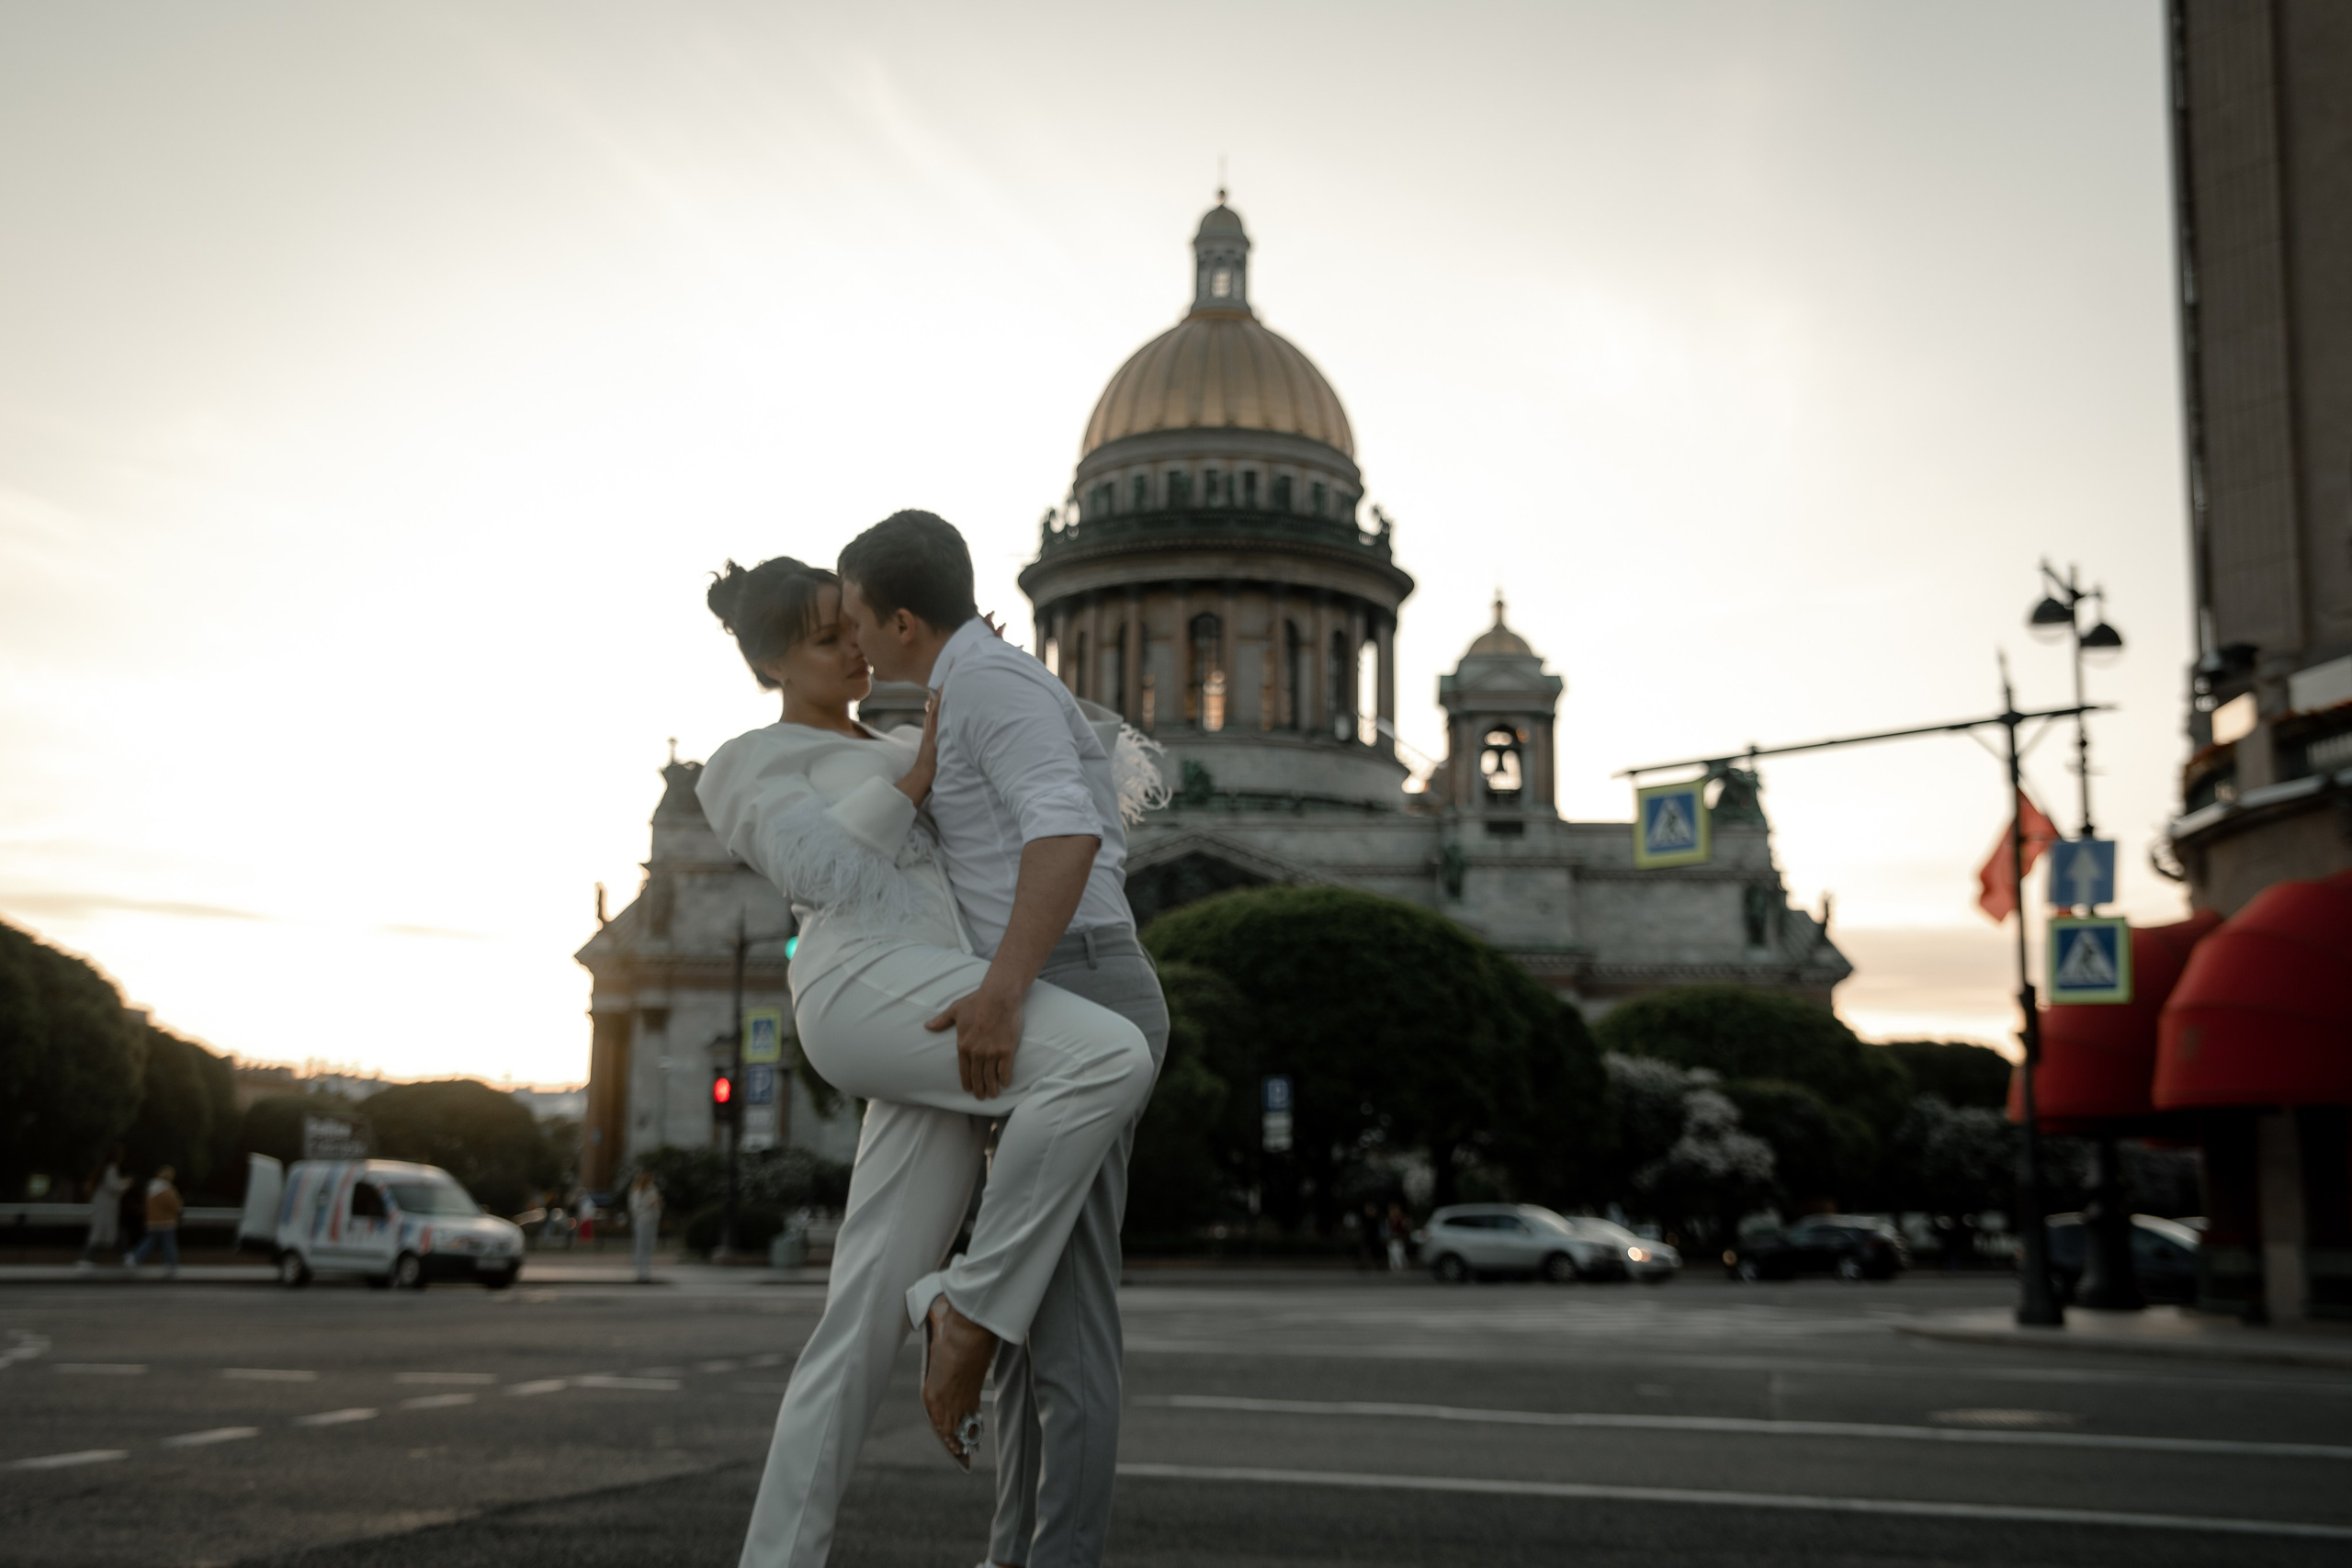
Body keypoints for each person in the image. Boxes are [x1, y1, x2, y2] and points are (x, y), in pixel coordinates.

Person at [698, 541, 1157, 1568]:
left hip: (940, 1015)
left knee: (857, 1321)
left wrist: (1005, 691)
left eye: (853, 628)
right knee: (1109, 1058)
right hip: (867, 987)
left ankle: (777, 1559)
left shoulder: (911, 718)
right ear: (775, 664)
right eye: (829, 640)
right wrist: (915, 773)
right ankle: (971, 1303)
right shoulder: (744, 762)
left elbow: (1067, 783)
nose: (856, 650)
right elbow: (812, 868)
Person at [836, 511, 1170, 1568]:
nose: (849, 642)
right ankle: (1013, 1549)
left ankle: (965, 1322)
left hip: (1073, 990)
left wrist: (1001, 993)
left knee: (1067, 1336)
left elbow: (1064, 829)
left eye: (854, 619)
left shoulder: (992, 684)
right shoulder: (971, 688)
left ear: (898, 618)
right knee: (1042, 1324)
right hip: (1063, 989)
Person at [77, 1148, 130, 1270]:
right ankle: (127, 1256)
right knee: (105, 1233)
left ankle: (88, 1258)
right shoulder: (111, 1169)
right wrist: (126, 1184)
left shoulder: (103, 1168)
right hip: (106, 1208)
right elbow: (114, 1187)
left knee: (102, 1233)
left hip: (102, 1206)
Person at [125, 1166, 181, 1277]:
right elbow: (175, 1205)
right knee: (169, 1243)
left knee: (149, 1241)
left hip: (153, 1221)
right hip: (166, 1221)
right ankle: (171, 1264)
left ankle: (136, 1258)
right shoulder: (167, 1190)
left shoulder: (151, 1189)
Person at [628, 1169, 663, 1283]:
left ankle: (646, 1271)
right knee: (641, 1245)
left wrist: (657, 1203)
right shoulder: (638, 1191)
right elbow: (635, 1208)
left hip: (652, 1220)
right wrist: (649, 1204)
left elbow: (657, 1204)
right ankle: (641, 1272)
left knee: (649, 1245)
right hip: (643, 1220)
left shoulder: (652, 1189)